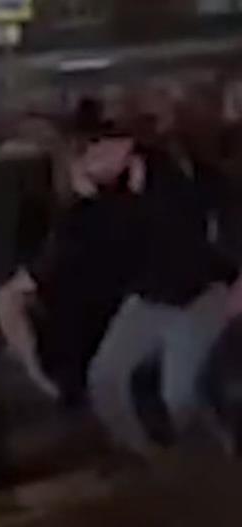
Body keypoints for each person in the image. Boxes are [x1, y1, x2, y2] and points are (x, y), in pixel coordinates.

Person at [87, 114, 241, 454]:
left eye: (101, 148)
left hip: (196, 297)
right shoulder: (114, 194)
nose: (93, 159)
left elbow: (198, 244)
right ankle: (139, 454)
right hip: (150, 297)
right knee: (104, 378)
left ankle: (212, 457)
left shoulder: (179, 183)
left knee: (181, 396)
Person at [0, 123, 147, 408]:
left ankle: (43, 378)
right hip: (84, 288)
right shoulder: (59, 208)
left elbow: (65, 257)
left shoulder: (90, 211)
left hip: (91, 296)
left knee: (9, 299)